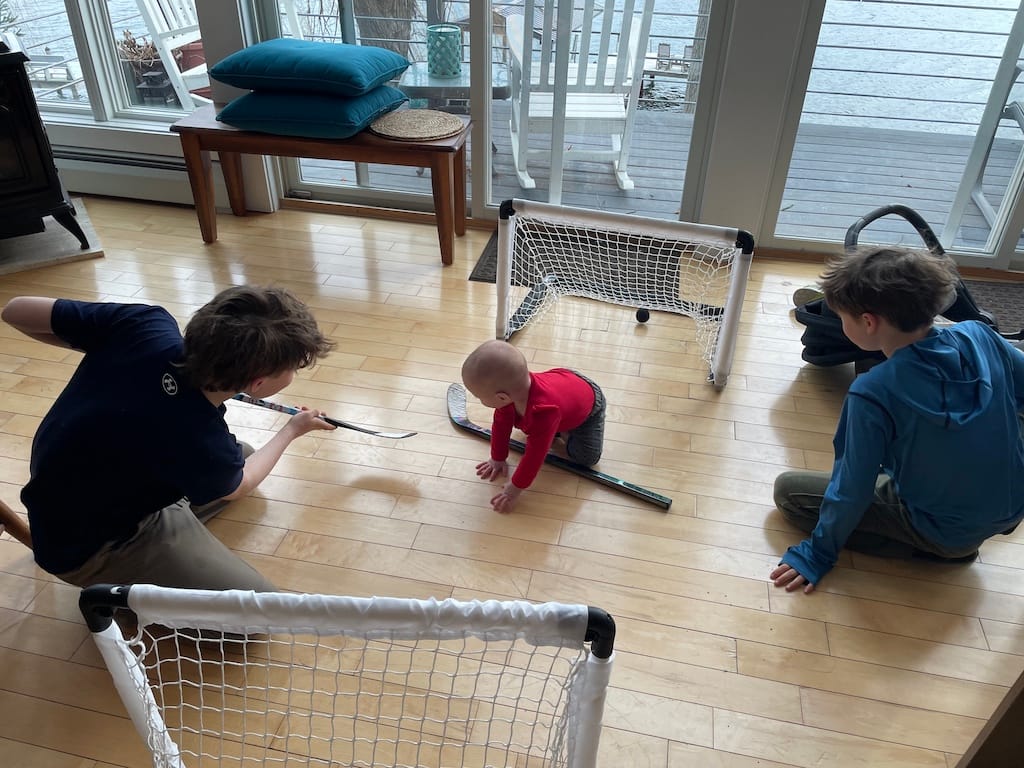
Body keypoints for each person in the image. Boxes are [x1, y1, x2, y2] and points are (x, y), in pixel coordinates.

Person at [1, 285, 336, 592]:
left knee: (240, 456)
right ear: (257, 384)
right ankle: (120, 576)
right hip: (91, 547)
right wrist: (293, 429)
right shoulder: (197, 434)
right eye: (292, 368)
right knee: (258, 607)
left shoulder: (145, 324)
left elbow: (14, 310)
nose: (293, 375)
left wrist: (98, 343)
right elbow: (239, 485)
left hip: (65, 494)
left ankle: (175, 522)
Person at [771, 247, 1024, 595]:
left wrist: (816, 554)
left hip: (948, 533)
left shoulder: (872, 392)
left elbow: (851, 489)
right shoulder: (979, 335)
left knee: (789, 492)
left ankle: (941, 549)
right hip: (1012, 507)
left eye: (842, 317)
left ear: (869, 322)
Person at [461, 339, 606, 513]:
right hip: (564, 381)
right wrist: (497, 457)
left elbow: (535, 456)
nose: (479, 400)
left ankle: (565, 429)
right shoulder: (513, 392)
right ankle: (558, 426)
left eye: (479, 397)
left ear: (501, 397)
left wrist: (515, 488)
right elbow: (501, 425)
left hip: (589, 406)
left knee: (586, 458)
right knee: (541, 428)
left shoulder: (543, 413)